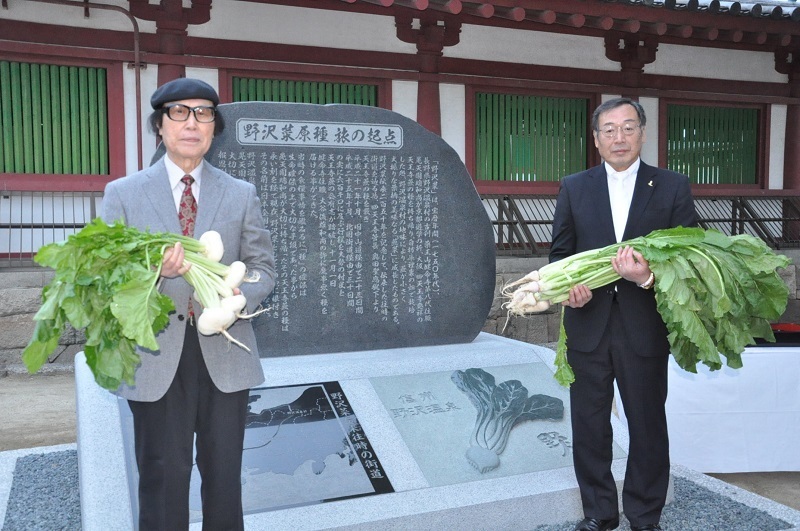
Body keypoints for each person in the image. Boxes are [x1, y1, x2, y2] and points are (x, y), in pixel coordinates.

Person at [101, 78, 276, 530]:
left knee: (224, 476)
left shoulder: (240, 193)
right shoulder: (123, 193)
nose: (192, 123)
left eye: (203, 114)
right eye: (179, 113)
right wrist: (156, 271)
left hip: (225, 349)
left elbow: (263, 268)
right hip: (157, 353)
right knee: (161, 474)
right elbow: (106, 278)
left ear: (214, 128)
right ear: (159, 126)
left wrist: (238, 292)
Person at [549, 97, 697, 531]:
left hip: (644, 326)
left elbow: (687, 260)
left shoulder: (671, 186)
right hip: (587, 324)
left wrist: (647, 278)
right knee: (590, 425)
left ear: (643, 134)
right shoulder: (575, 186)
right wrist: (567, 294)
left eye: (628, 127)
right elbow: (560, 254)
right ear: (596, 140)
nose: (619, 137)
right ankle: (598, 512)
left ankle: (645, 514)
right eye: (609, 129)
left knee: (648, 424)